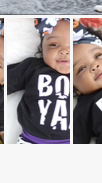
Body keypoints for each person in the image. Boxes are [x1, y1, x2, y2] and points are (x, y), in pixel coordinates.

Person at [6, 18, 71, 146]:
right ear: (42, 49)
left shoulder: (80, 73)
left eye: (73, 45)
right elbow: (3, 81)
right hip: (31, 140)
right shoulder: (33, 68)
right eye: (54, 44)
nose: (64, 51)